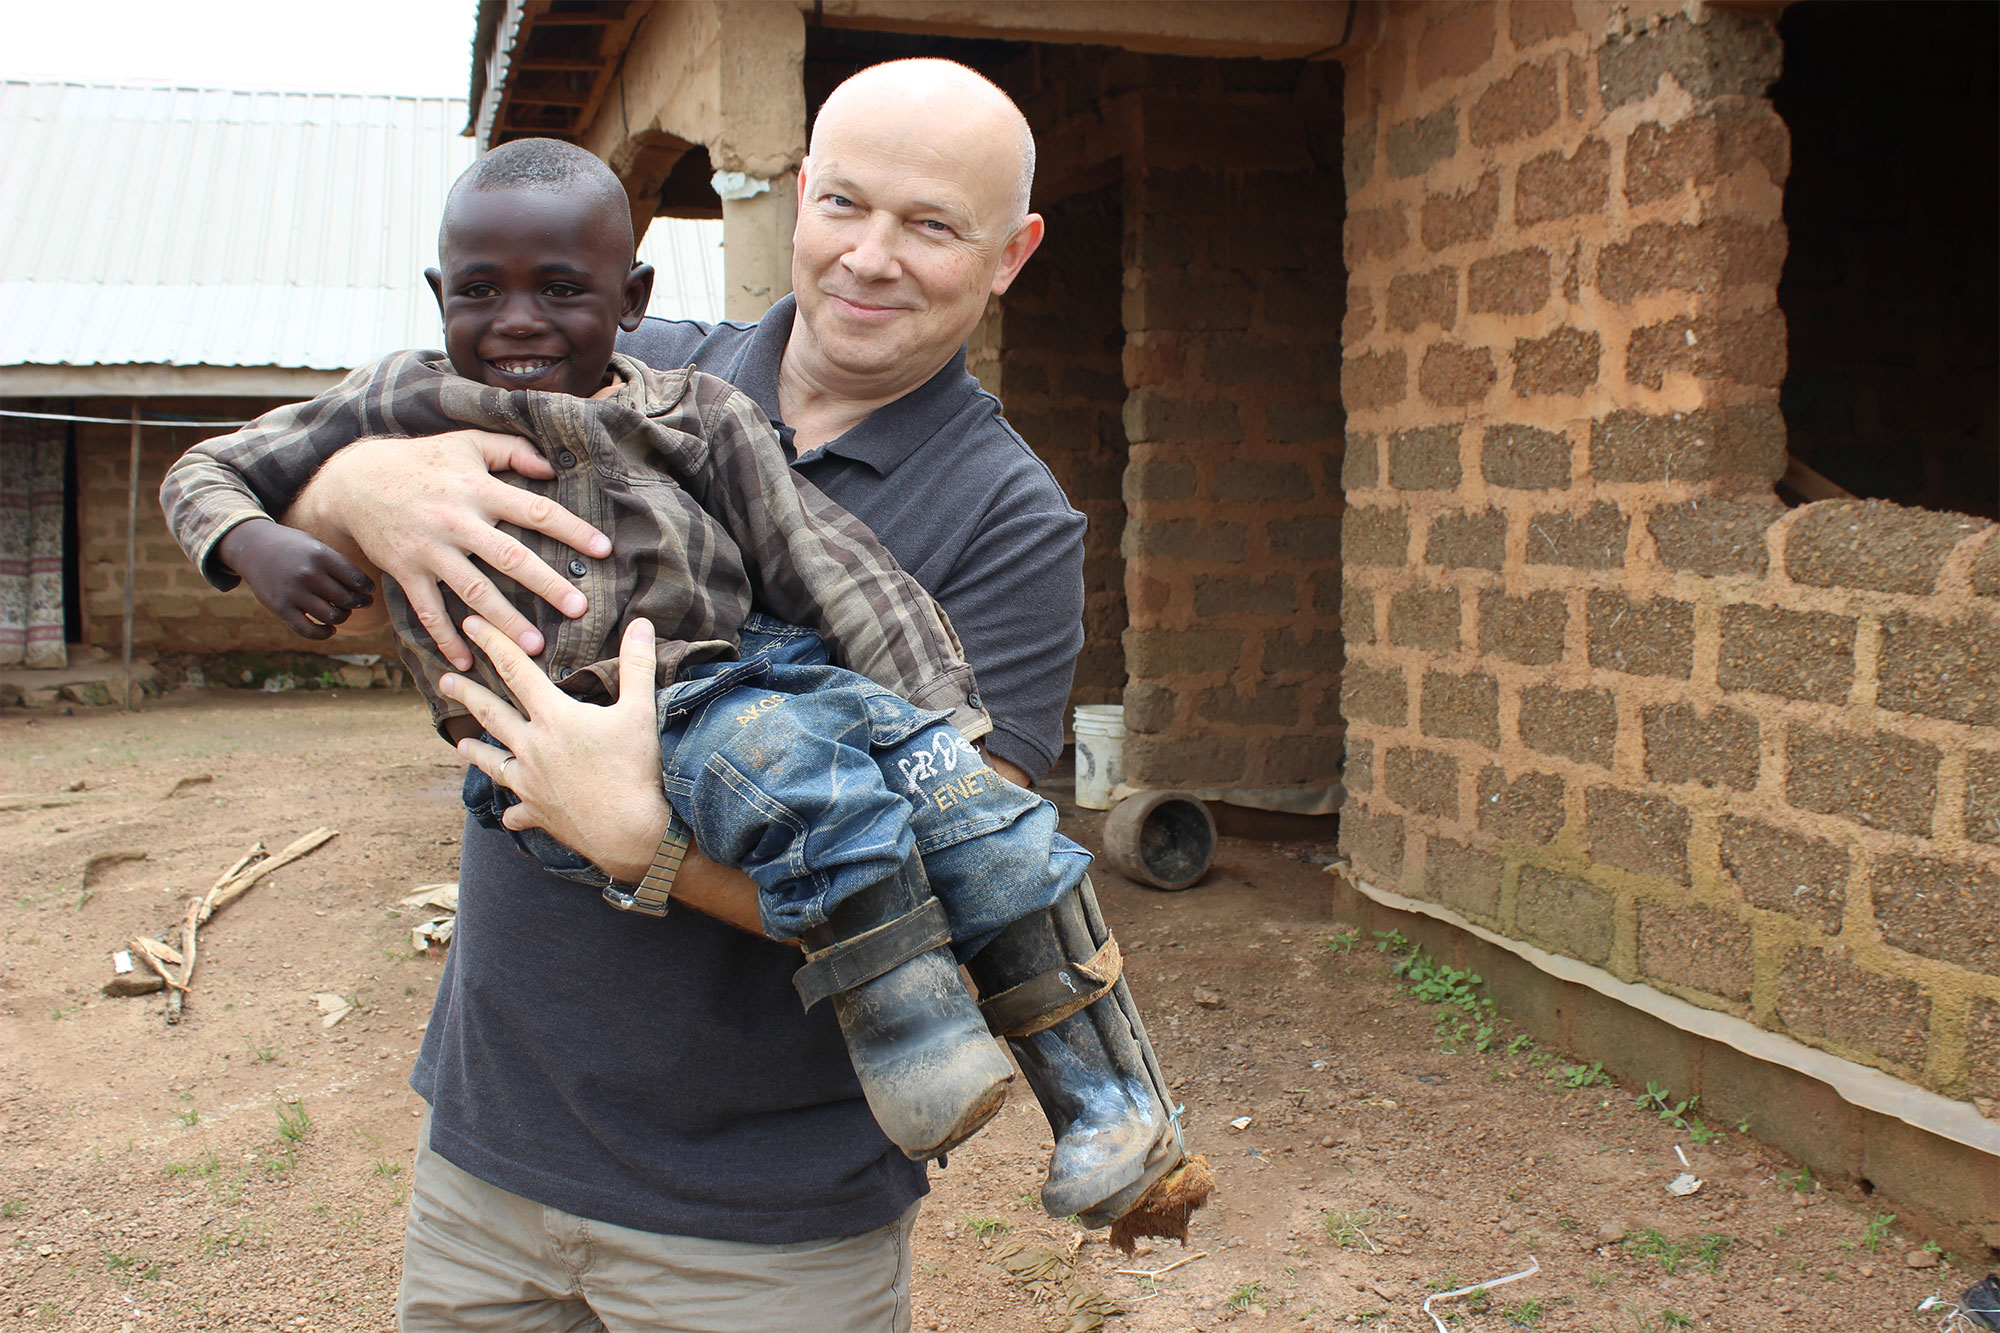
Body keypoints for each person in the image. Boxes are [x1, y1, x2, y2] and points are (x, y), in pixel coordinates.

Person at [173, 59, 1193, 1330]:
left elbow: (950, 874)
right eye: (847, 205)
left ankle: (1104, 1104)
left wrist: (640, 846)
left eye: (931, 225)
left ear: (1009, 253)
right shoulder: (604, 349)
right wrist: (364, 491)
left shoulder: (1011, 520)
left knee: (986, 844)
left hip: (763, 1220)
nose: (870, 258)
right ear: (801, 192)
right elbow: (307, 520)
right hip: (496, 1145)